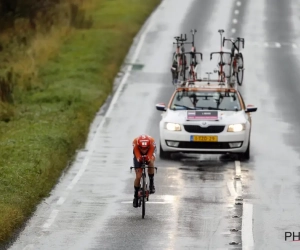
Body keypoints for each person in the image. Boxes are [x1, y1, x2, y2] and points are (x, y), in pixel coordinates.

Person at [132, 134, 156, 208]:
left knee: (151, 162)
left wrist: (148, 158)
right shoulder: (135, 142)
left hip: (150, 153)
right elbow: (138, 157)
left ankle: (151, 184)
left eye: (146, 148)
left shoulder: (152, 142)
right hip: (137, 154)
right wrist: (140, 159)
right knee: (138, 176)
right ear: (139, 146)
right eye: (142, 148)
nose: (144, 150)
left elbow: (149, 156)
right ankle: (136, 195)